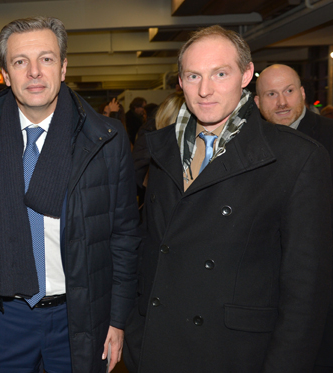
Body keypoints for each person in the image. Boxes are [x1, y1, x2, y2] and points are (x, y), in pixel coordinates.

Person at [124, 25, 332, 372]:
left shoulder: (297, 157)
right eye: (193, 76)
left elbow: (306, 296)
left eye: (220, 73)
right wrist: (135, 330)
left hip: (238, 354)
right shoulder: (163, 150)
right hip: (159, 347)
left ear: (246, 75)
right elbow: (148, 247)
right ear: (180, 82)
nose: (205, 90)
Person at [0, 16, 140, 373]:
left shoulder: (105, 138)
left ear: (62, 68)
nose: (33, 72)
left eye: (45, 59)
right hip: (4, 318)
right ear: (5, 74)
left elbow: (124, 236)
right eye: (19, 62)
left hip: (78, 316)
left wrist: (118, 319)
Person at [255, 63, 333, 372]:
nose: (282, 102)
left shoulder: (328, 138)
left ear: (302, 94)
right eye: (271, 94)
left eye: (289, 91)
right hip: (265, 287)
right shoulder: (248, 143)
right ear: (258, 103)